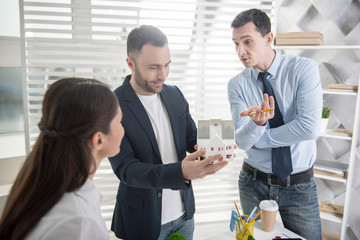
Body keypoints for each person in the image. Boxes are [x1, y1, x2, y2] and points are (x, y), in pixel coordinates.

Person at [109, 25, 228, 240]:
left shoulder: (174, 94)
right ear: (130, 64)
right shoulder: (112, 106)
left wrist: (214, 147)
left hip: (184, 216)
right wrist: (180, 173)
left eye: (167, 65)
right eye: (154, 67)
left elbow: (191, 138)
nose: (162, 75)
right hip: (143, 222)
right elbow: (127, 169)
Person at [227, 9, 323, 240]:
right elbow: (241, 140)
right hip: (253, 182)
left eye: (247, 41)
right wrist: (257, 124)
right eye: (236, 43)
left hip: (299, 185)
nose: (241, 51)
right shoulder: (237, 84)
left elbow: (308, 127)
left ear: (268, 39)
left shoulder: (303, 69)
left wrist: (259, 137)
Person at [0, 78, 124, 240]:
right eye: (120, 121)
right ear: (99, 139)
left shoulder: (43, 188)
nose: (124, 128)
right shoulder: (78, 223)